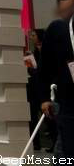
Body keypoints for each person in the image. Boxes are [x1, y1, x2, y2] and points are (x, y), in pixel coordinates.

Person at [41, 15, 74, 157]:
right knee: (66, 149)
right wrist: (44, 98)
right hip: (67, 101)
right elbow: (44, 67)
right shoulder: (58, 28)